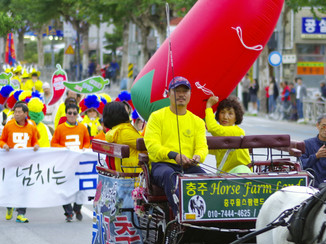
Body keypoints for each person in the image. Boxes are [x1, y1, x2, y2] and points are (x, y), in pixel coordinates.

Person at [145, 76, 208, 216]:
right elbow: (152, 146)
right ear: (168, 94)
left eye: (185, 91)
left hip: (188, 166)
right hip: (162, 166)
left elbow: (202, 147)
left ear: (190, 94)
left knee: (206, 178)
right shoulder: (156, 117)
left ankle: (206, 218)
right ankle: (181, 216)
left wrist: (198, 157)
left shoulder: (198, 121)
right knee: (170, 175)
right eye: (177, 91)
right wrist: (174, 155)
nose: (181, 95)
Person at [0, 101, 40, 223]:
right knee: (10, 187)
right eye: (15, 112)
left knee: (24, 188)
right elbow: (1, 140)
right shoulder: (9, 126)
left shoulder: (31, 127)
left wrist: (36, 145)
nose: (16, 114)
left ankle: (21, 214)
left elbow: (35, 141)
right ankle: (9, 206)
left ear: (25, 114)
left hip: (25, 163)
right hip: (11, 162)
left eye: (19, 112)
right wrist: (4, 145)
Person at [51, 103, 91, 221]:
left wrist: (84, 148)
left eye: (74, 113)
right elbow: (53, 143)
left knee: (81, 188)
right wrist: (64, 149)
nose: (72, 115)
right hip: (65, 163)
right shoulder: (60, 128)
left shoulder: (83, 127)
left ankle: (77, 208)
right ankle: (68, 212)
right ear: (66, 114)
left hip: (79, 163)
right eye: (70, 113)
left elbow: (87, 142)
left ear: (78, 114)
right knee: (64, 188)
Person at [205, 95, 251, 174]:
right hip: (224, 176)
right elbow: (205, 147)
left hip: (241, 173)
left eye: (230, 114)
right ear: (218, 115)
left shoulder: (237, 131)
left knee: (242, 170)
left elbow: (212, 128)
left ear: (236, 117)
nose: (225, 117)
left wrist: (208, 106)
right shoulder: (219, 135)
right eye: (222, 112)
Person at [103, 100, 141, 173]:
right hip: (135, 170)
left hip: (125, 168)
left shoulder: (115, 131)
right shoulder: (124, 132)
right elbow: (147, 144)